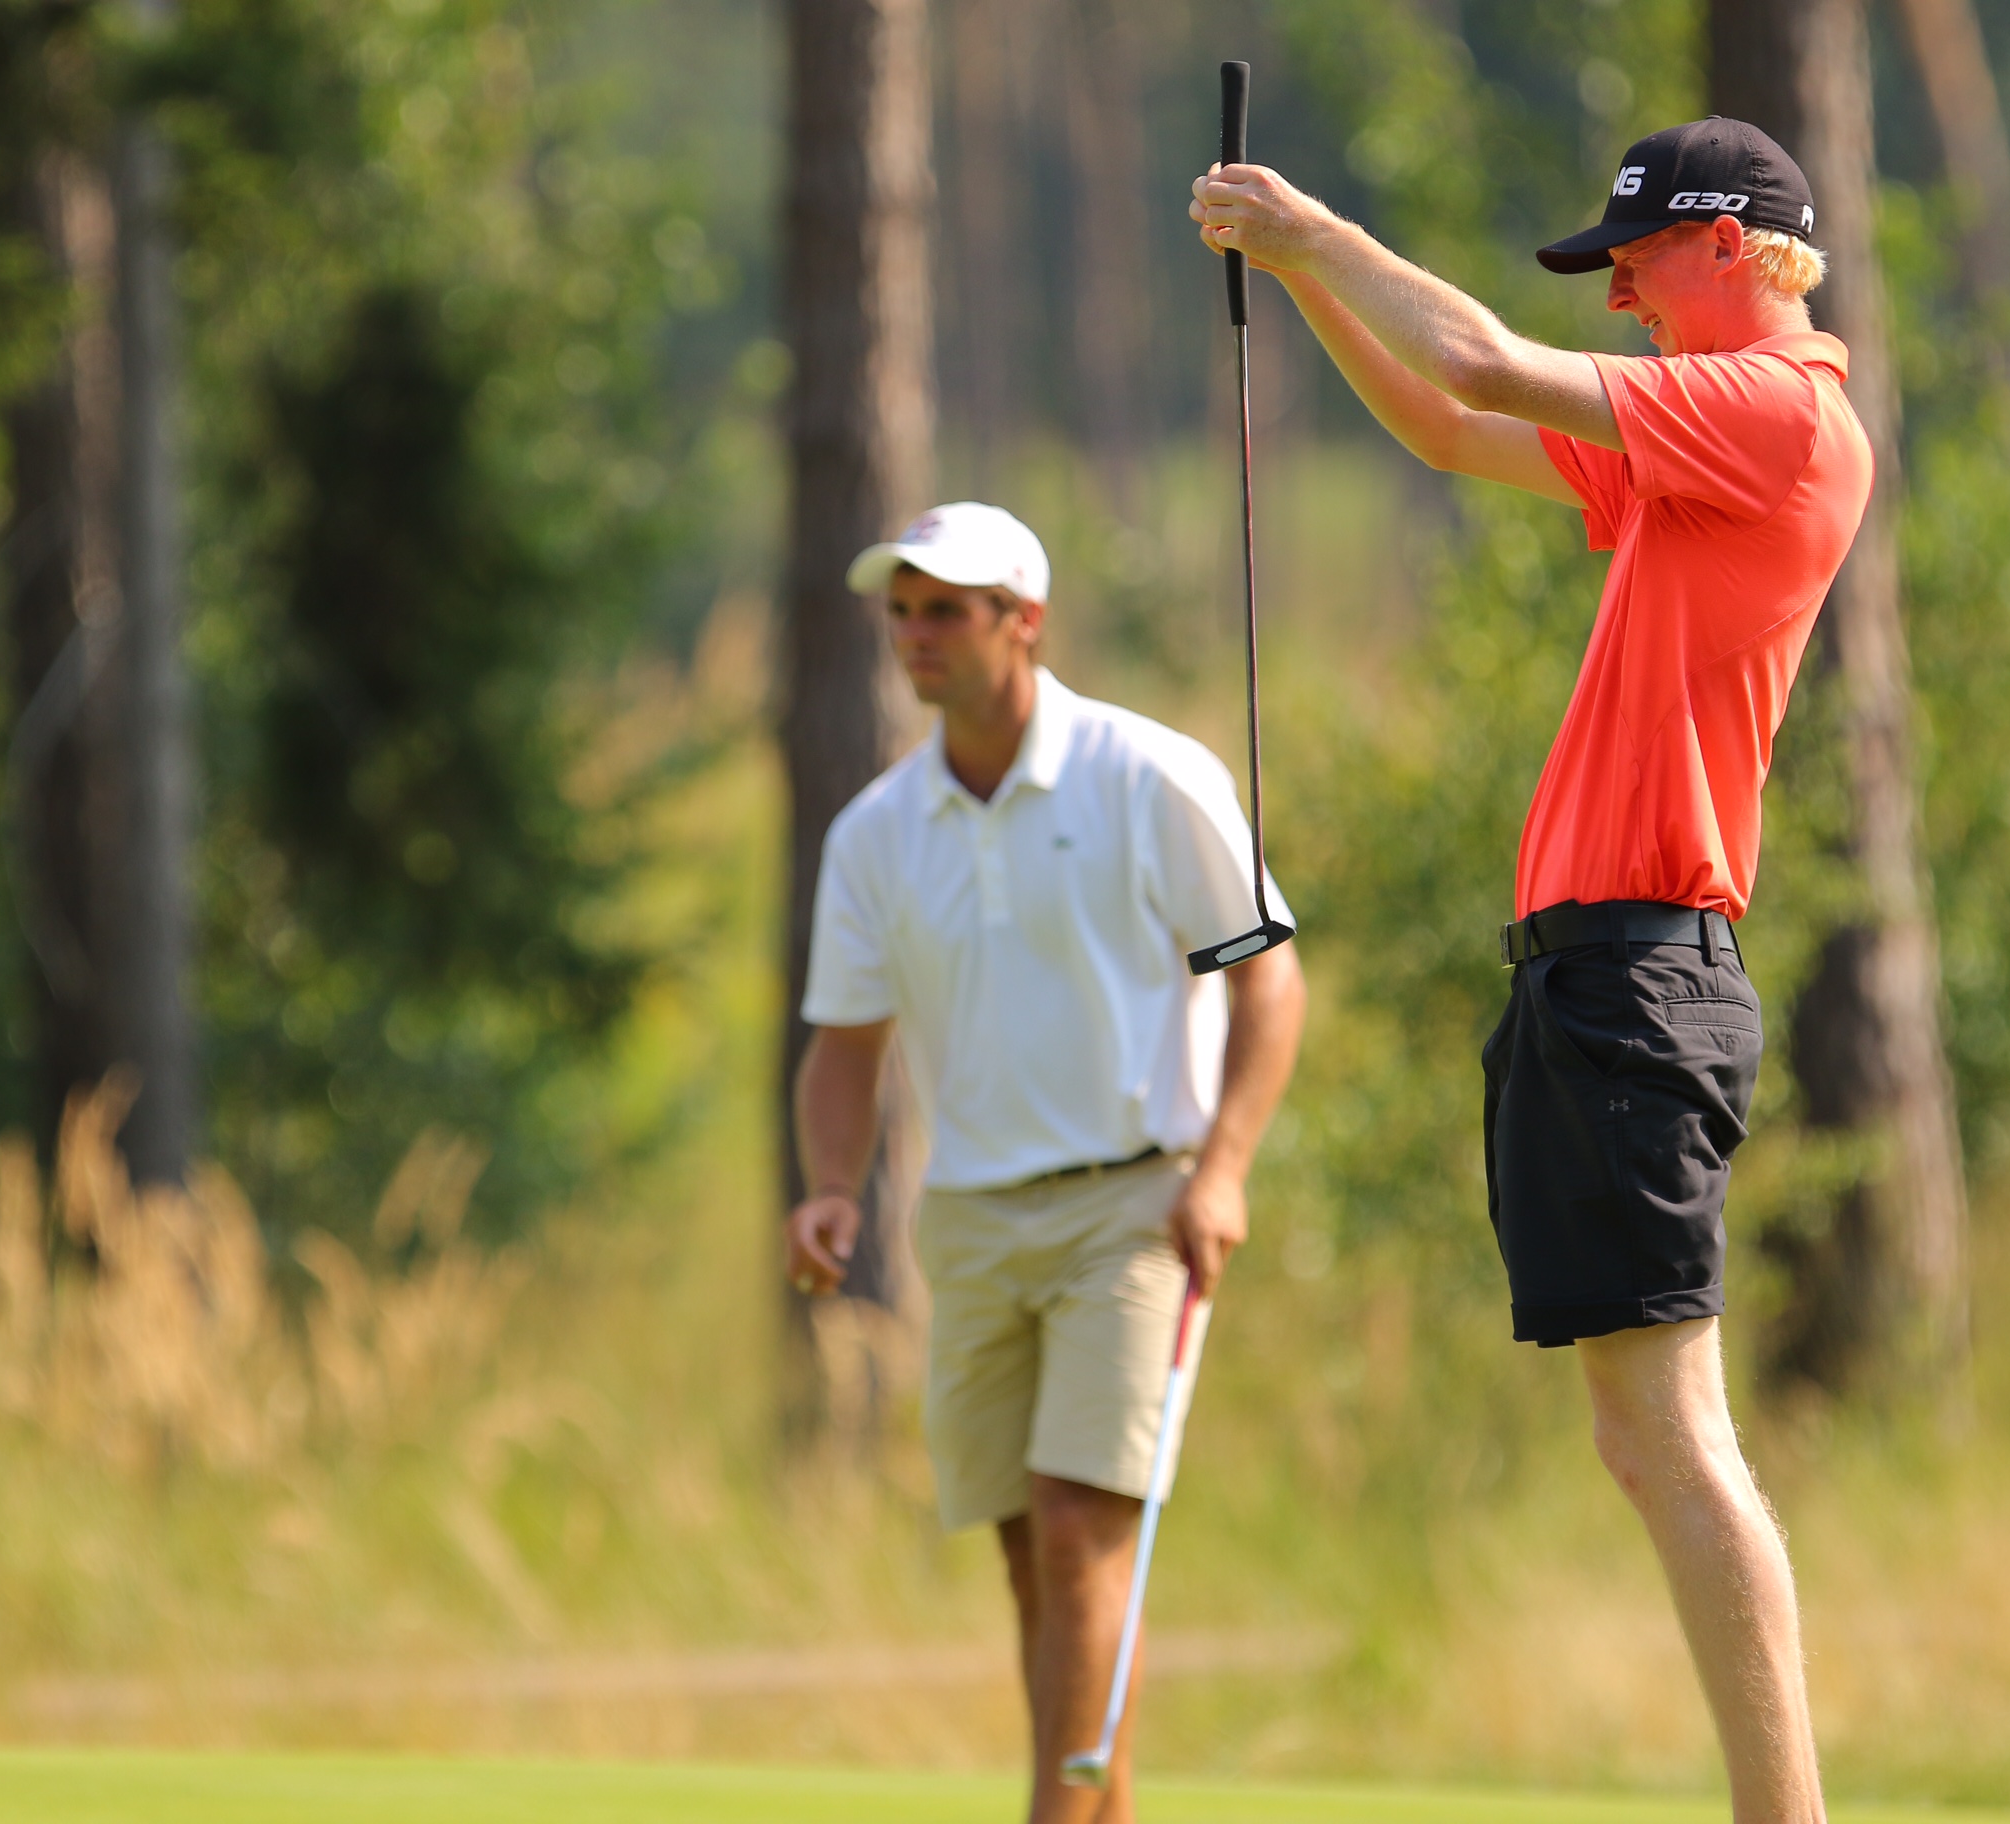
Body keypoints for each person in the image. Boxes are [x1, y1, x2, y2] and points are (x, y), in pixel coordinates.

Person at [1194, 119, 1867, 1824]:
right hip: (1594, 980)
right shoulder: (1696, 441)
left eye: (1635, 261)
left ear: (1732, 246)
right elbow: (1448, 422)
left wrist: (1315, 231)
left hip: (1645, 974)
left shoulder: (1780, 414)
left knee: (1678, 1438)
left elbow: (1488, 358)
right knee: (1643, 1439)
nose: (1619, 294)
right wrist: (1296, 275)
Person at [784, 500, 1307, 1823]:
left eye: (947, 611)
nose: (917, 635)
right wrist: (834, 1187)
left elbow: (1268, 981)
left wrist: (1225, 1168)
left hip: (1136, 1206)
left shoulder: (1147, 775)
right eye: (902, 612)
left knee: (1080, 1531)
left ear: (1025, 622)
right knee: (1036, 1559)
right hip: (968, 1219)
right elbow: (845, 1047)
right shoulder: (876, 832)